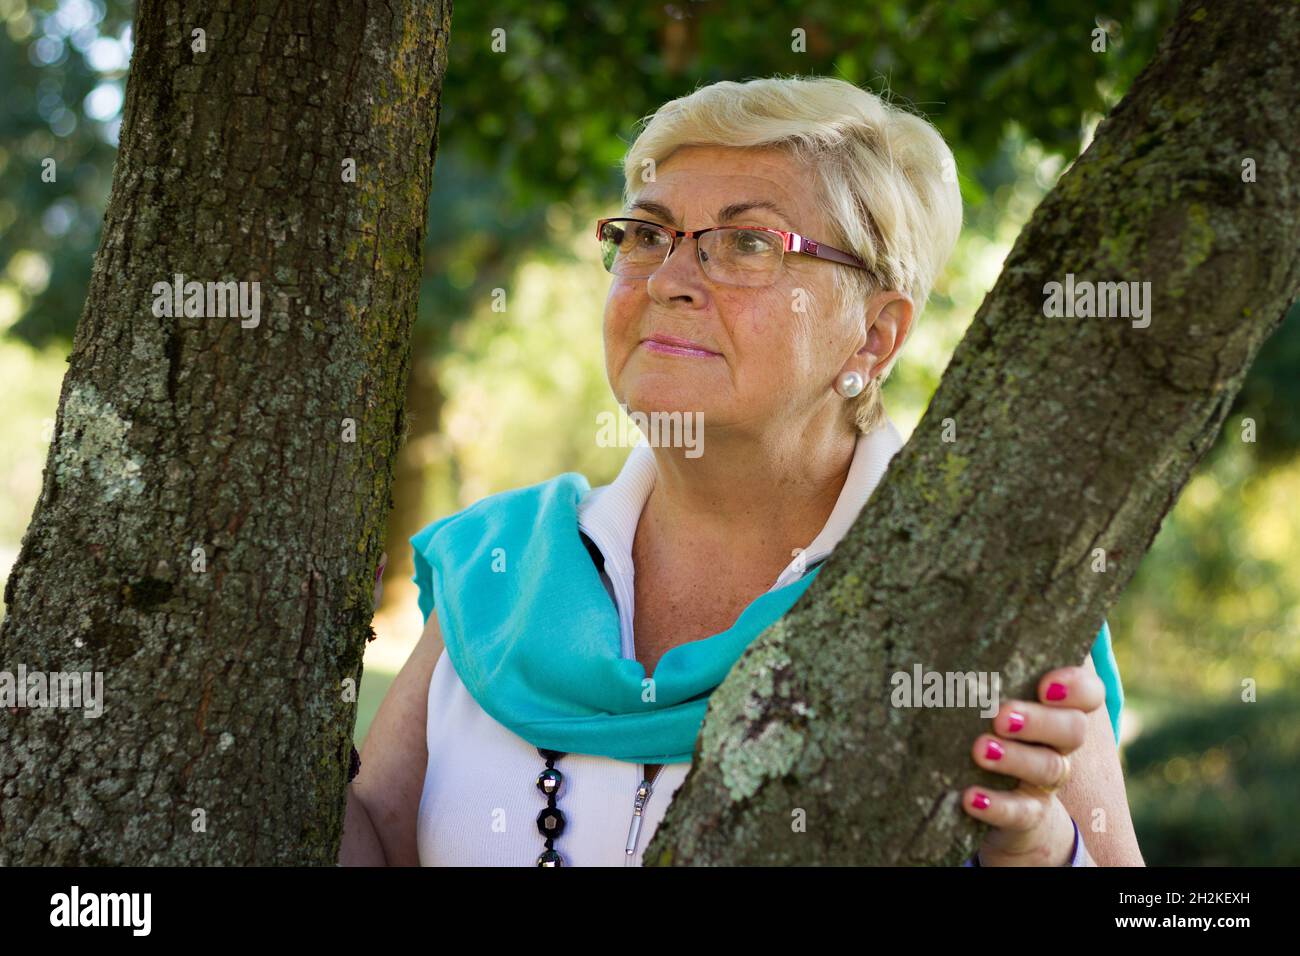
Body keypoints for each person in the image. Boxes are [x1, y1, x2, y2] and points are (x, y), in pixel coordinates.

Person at [340, 75, 1144, 867]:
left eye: (749, 243)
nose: (667, 281)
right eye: (648, 235)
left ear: (873, 335)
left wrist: (1042, 855)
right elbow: (369, 837)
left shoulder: (985, 599)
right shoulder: (501, 567)